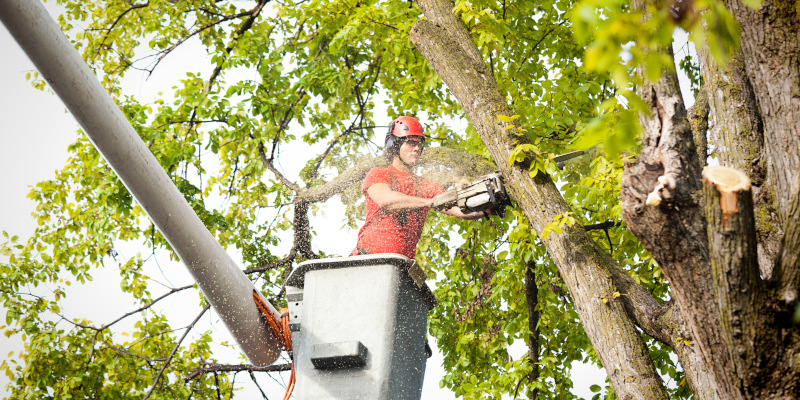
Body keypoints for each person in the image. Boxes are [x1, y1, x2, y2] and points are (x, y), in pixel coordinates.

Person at [352, 116, 488, 258]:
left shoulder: (426, 186)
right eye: (411, 143)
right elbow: (387, 201)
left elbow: (460, 210)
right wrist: (428, 202)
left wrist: (486, 209)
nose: (417, 148)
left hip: (402, 264)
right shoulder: (379, 174)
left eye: (419, 144)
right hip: (367, 259)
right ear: (394, 145)